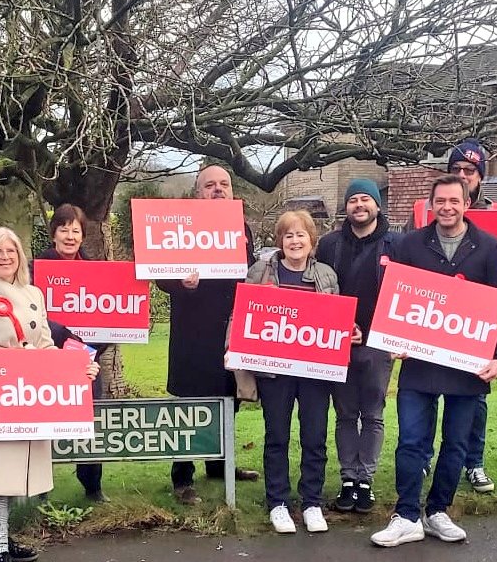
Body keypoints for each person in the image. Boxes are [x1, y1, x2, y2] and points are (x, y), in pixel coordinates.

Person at [0, 227, 99, 562]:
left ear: (20, 256)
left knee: (16, 472)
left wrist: (77, 368)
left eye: (11, 251)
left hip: (27, 394)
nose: (5, 257)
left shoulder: (32, 294)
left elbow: (45, 345)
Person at [370, 175, 497, 548]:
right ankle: (406, 515)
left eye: (454, 200)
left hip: (469, 364)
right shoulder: (410, 244)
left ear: (467, 202)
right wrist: (392, 339)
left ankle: (438, 511)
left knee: (456, 443)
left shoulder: (489, 247)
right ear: (431, 204)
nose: (447, 207)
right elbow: (393, 296)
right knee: (413, 440)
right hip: (420, 363)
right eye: (440, 201)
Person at [156, 165, 259, 506]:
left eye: (224, 185)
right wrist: (179, 282)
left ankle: (219, 465)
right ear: (198, 193)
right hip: (191, 332)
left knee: (228, 400)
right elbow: (159, 275)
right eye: (210, 185)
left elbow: (249, 274)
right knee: (189, 406)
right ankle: (182, 478)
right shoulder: (181, 225)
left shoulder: (241, 227)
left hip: (230, 331)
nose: (218, 190)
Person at [405, 139, 497, 492]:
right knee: (417, 427)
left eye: (469, 171)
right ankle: (422, 471)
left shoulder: (488, 237)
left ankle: (472, 464)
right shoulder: (414, 238)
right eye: (457, 169)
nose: (463, 175)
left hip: (468, 345)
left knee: (468, 416)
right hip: (427, 345)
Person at [242, 210, 344, 534]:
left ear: (312, 241)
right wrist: (235, 348)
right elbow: (242, 312)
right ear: (280, 241)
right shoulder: (261, 271)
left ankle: (312, 501)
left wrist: (348, 332)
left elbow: (335, 318)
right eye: (289, 235)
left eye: (301, 235)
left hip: (315, 371)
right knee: (277, 437)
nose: (295, 241)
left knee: (314, 437)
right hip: (275, 371)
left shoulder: (326, 275)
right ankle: (278, 502)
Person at [315, 179, 400, 514]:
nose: (359, 205)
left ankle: (366, 479)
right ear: (346, 207)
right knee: (345, 413)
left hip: (379, 342)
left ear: (378, 205)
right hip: (338, 340)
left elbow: (405, 293)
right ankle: (348, 478)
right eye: (353, 200)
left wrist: (386, 334)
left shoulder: (397, 244)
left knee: (373, 413)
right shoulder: (329, 244)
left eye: (366, 199)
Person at [31, 203, 109, 503]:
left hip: (86, 362)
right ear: (53, 234)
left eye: (75, 230)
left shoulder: (95, 272)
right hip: (47, 359)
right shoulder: (35, 271)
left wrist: (89, 350)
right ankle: (39, 487)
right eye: (63, 229)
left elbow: (109, 321)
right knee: (41, 423)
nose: (69, 235)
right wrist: (62, 341)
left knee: (91, 422)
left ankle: (93, 485)